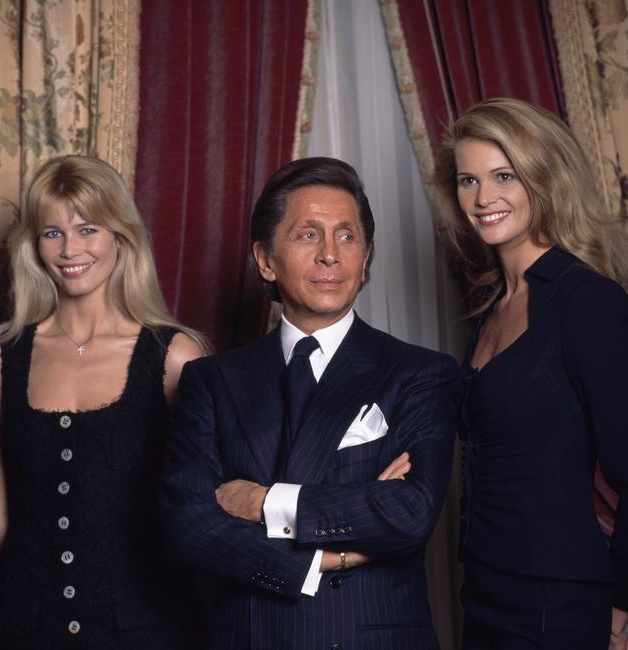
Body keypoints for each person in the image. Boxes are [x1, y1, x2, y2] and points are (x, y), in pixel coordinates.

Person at [160, 156, 459, 650]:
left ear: (365, 259)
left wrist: (264, 502)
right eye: (307, 235)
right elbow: (187, 526)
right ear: (265, 259)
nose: (330, 255)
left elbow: (409, 511)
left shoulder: (418, 372)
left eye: (346, 236)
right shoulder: (210, 380)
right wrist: (323, 559)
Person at [0, 155, 207, 649]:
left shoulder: (174, 355)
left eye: (88, 229)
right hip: (23, 628)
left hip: (149, 627)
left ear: (120, 237)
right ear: (34, 246)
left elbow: (203, 502)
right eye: (52, 233)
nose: (70, 250)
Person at [435, 97, 628, 649]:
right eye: (468, 180)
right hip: (486, 591)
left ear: (543, 180)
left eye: (503, 175)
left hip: (562, 601)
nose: (483, 198)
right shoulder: (493, 305)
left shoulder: (587, 302)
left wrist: (621, 607)